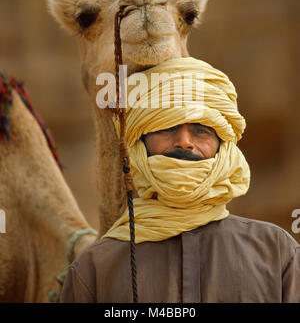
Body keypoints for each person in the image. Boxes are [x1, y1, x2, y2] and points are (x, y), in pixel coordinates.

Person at [60, 57, 300, 303]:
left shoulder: (277, 253)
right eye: (166, 128)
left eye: (201, 130)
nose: (184, 141)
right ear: (137, 145)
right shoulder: (95, 270)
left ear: (224, 147)